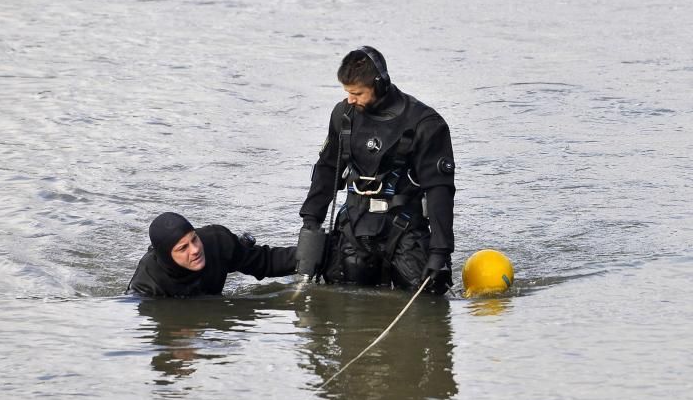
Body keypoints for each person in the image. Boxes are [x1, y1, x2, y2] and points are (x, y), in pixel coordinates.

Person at [297, 46, 456, 294]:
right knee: (343, 302)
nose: (350, 99)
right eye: (347, 92)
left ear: (379, 85)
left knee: (426, 300)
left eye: (357, 93)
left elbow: (440, 191)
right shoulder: (343, 116)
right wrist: (311, 220)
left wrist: (440, 252)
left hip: (404, 228)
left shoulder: (425, 124)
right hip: (354, 225)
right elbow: (327, 169)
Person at [127, 211, 297, 297]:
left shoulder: (217, 242)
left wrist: (313, 255)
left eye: (194, 239)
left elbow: (266, 261)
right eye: (182, 248)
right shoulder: (146, 285)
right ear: (166, 257)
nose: (194, 250)